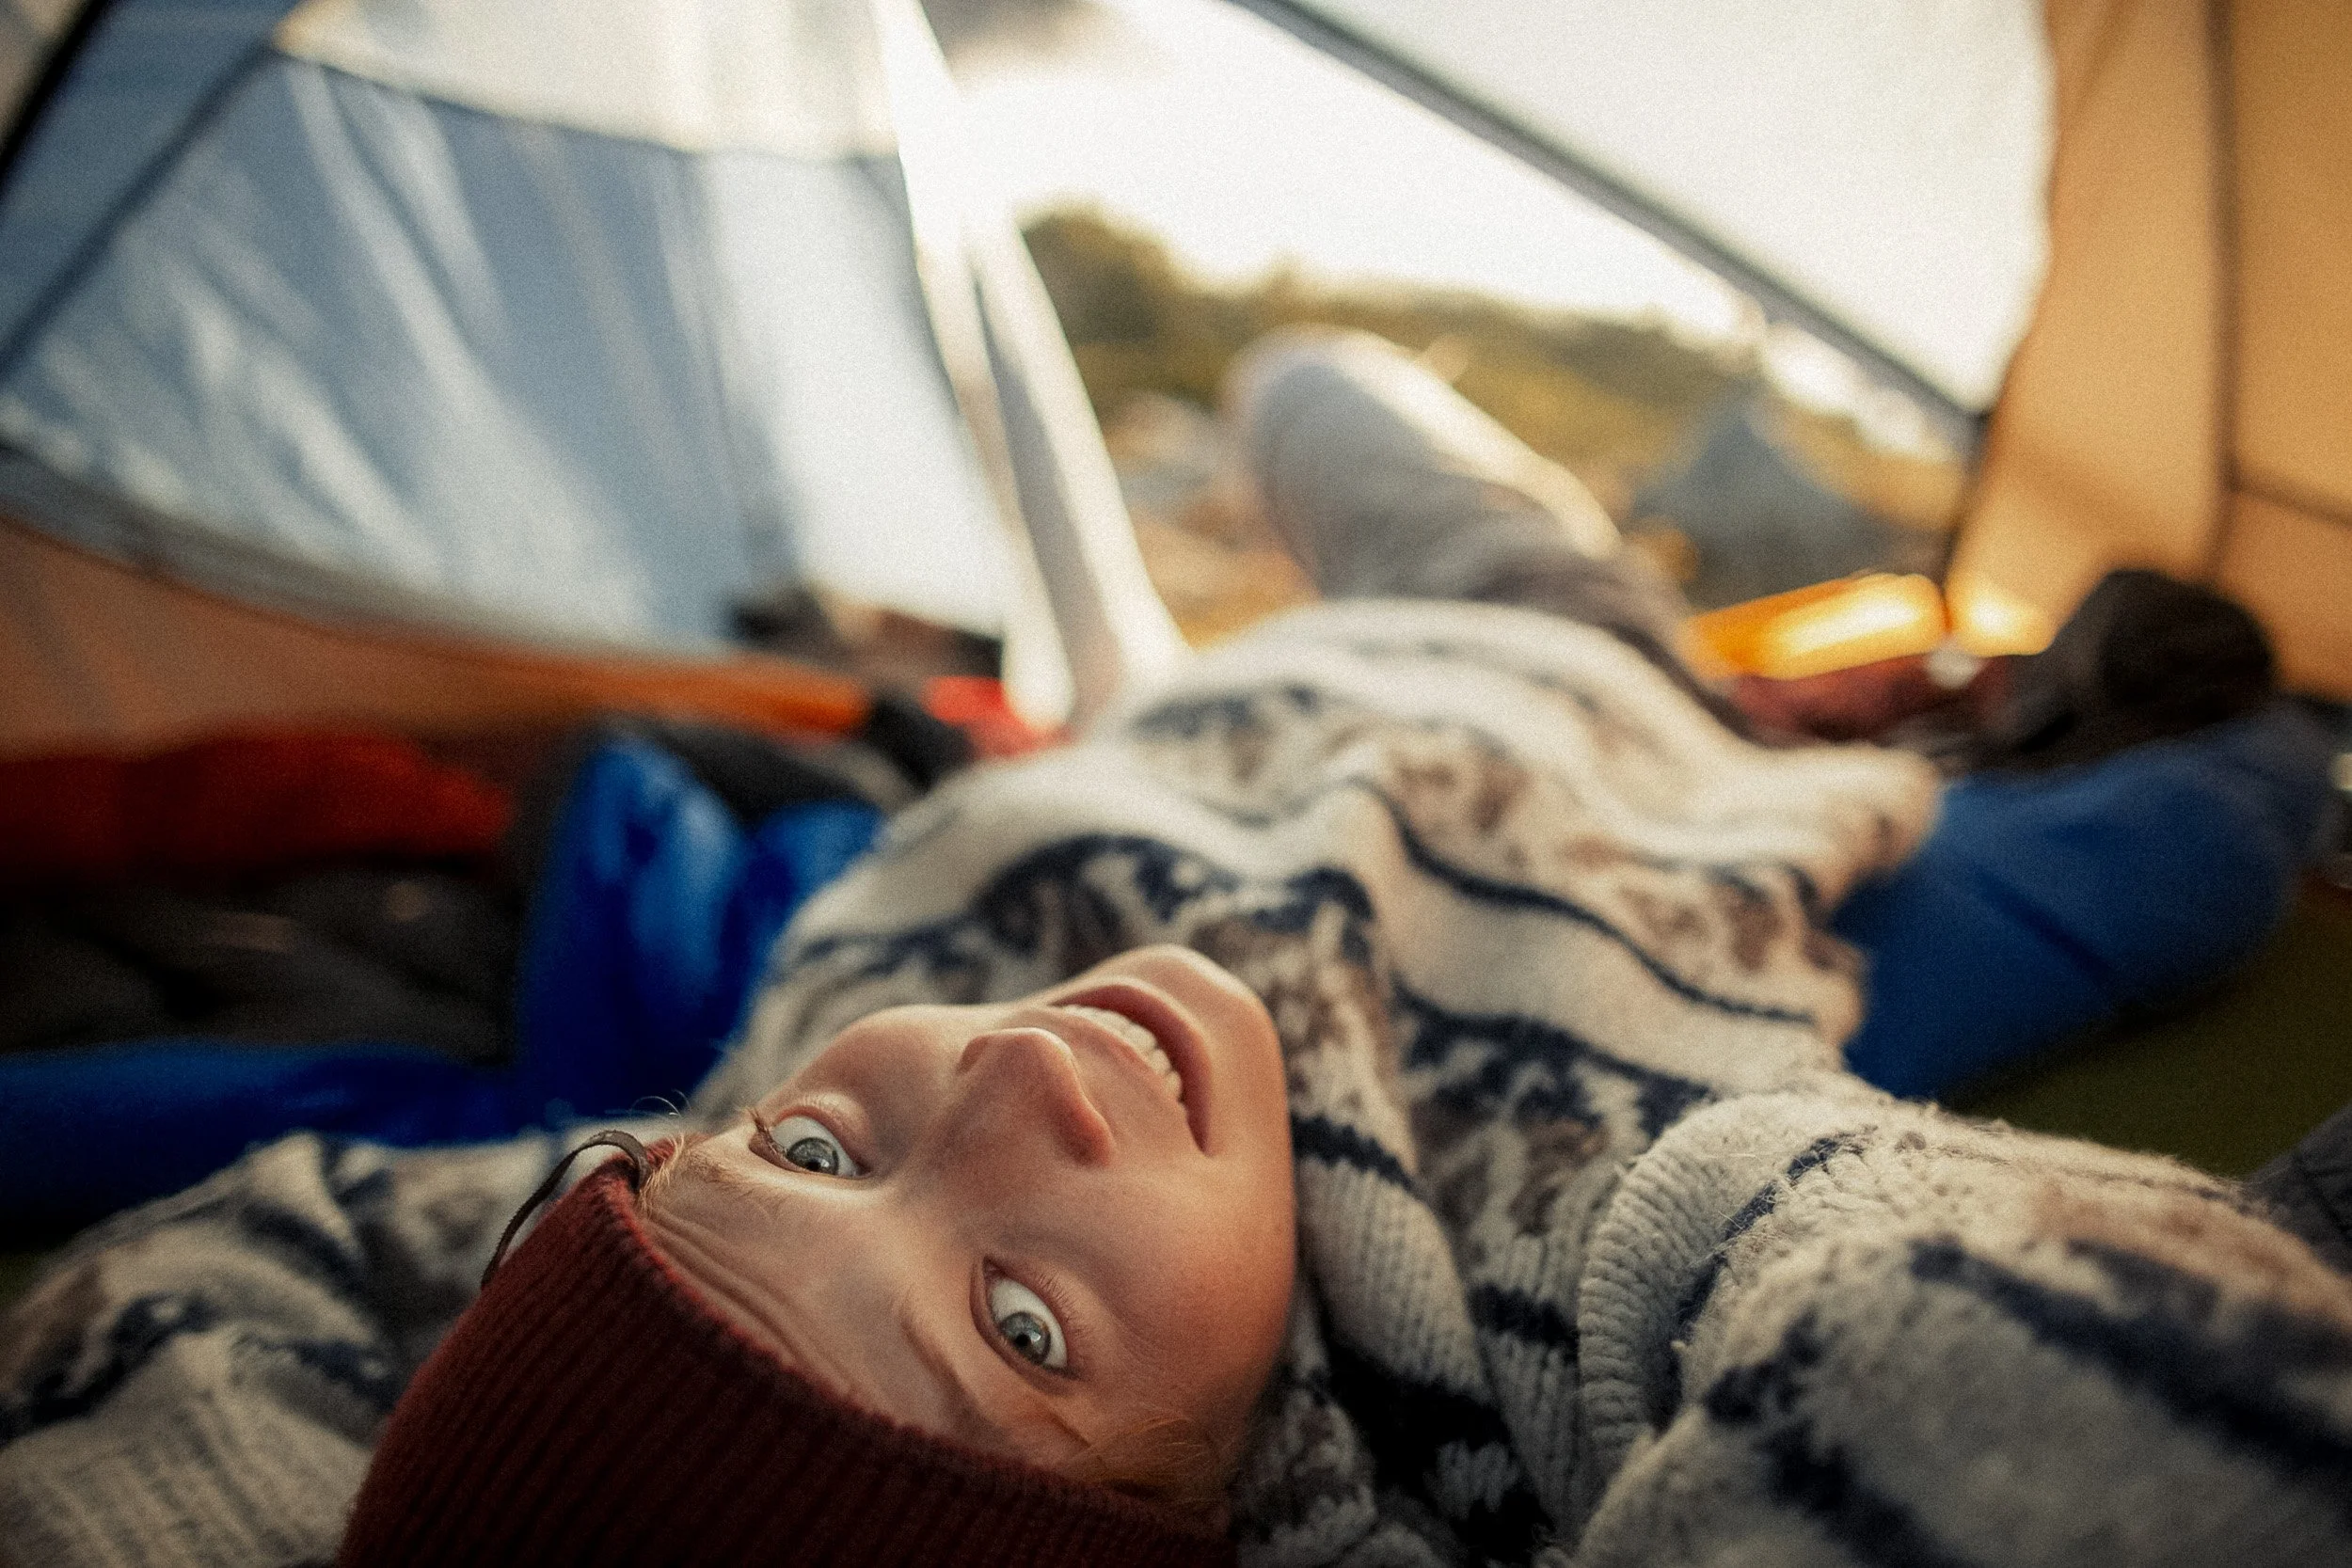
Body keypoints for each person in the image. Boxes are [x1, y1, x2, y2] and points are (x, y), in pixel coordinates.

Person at [6, 331, 2350, 1568]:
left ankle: (1933, 707)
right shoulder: (1525, 1281)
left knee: (1305, 380)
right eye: (1018, 1325)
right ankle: (2058, 732)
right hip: (1637, 791)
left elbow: (233, 1280)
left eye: (816, 1153)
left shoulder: (672, 1194)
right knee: (2217, 834)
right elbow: (1993, 1390)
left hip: (1379, 653)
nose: (1004, 1096)